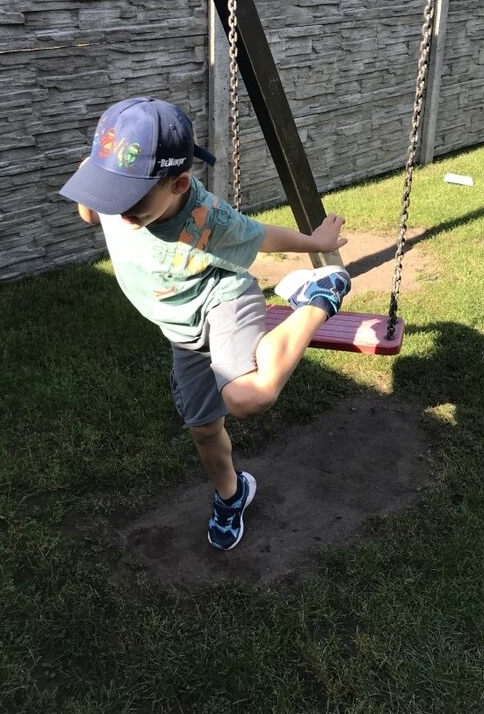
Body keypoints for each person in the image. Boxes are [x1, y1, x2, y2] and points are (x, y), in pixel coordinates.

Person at [60, 96, 350, 551]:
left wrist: (316, 243)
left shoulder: (204, 218)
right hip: (182, 329)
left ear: (178, 184)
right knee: (203, 429)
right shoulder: (109, 189)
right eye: (106, 189)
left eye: (129, 199)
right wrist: (94, 198)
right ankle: (232, 495)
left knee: (249, 397)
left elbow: (261, 236)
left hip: (221, 299)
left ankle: (319, 297)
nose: (116, 207)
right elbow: (89, 207)